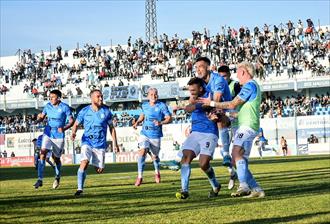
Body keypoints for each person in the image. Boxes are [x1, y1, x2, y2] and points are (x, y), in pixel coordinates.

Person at [198, 62, 265, 198]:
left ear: (244, 72)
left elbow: (233, 104)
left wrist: (211, 103)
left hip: (247, 126)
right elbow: (237, 113)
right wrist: (224, 114)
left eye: (238, 72)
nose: (237, 76)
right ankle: (257, 189)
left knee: (235, 153)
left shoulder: (250, 85)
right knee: (238, 161)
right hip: (247, 125)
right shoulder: (251, 87)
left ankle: (244, 186)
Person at [175, 77, 221, 199]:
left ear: (201, 88)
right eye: (190, 90)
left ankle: (215, 185)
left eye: (194, 90)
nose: (192, 93)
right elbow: (189, 108)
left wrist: (195, 106)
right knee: (185, 158)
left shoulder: (209, 94)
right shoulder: (193, 98)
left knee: (203, 163)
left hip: (209, 132)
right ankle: (184, 190)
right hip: (195, 133)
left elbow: (206, 106)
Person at [71, 89, 119, 196]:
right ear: (92, 98)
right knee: (84, 162)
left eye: (101, 96)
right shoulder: (84, 111)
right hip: (87, 141)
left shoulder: (106, 111)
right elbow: (75, 124)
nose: (101, 98)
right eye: (98, 96)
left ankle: (94, 164)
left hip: (100, 144)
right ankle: (79, 189)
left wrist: (115, 144)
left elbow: (112, 128)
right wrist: (73, 132)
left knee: (99, 170)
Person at [33, 90, 74, 189]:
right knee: (42, 154)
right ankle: (40, 179)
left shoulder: (65, 107)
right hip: (48, 132)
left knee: (56, 159)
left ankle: (57, 177)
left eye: (53, 97)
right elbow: (42, 117)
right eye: (50, 97)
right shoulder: (47, 106)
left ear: (59, 98)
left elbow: (72, 121)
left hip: (59, 135)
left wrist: (64, 128)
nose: (50, 98)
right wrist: (38, 119)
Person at [132, 88, 172, 186]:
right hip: (144, 133)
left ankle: (157, 172)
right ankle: (140, 176)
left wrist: (161, 122)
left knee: (155, 157)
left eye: (155, 94)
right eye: (151, 94)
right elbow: (142, 116)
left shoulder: (162, 106)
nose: (153, 96)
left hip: (156, 135)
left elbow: (169, 118)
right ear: (148, 96)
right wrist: (137, 122)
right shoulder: (144, 105)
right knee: (142, 151)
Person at [218, 65, 241, 189]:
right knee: (224, 152)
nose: (222, 78)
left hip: (236, 120)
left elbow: (239, 102)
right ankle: (232, 173)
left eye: (225, 76)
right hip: (223, 120)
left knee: (237, 153)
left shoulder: (235, 85)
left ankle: (243, 181)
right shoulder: (217, 87)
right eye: (220, 76)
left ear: (229, 75)